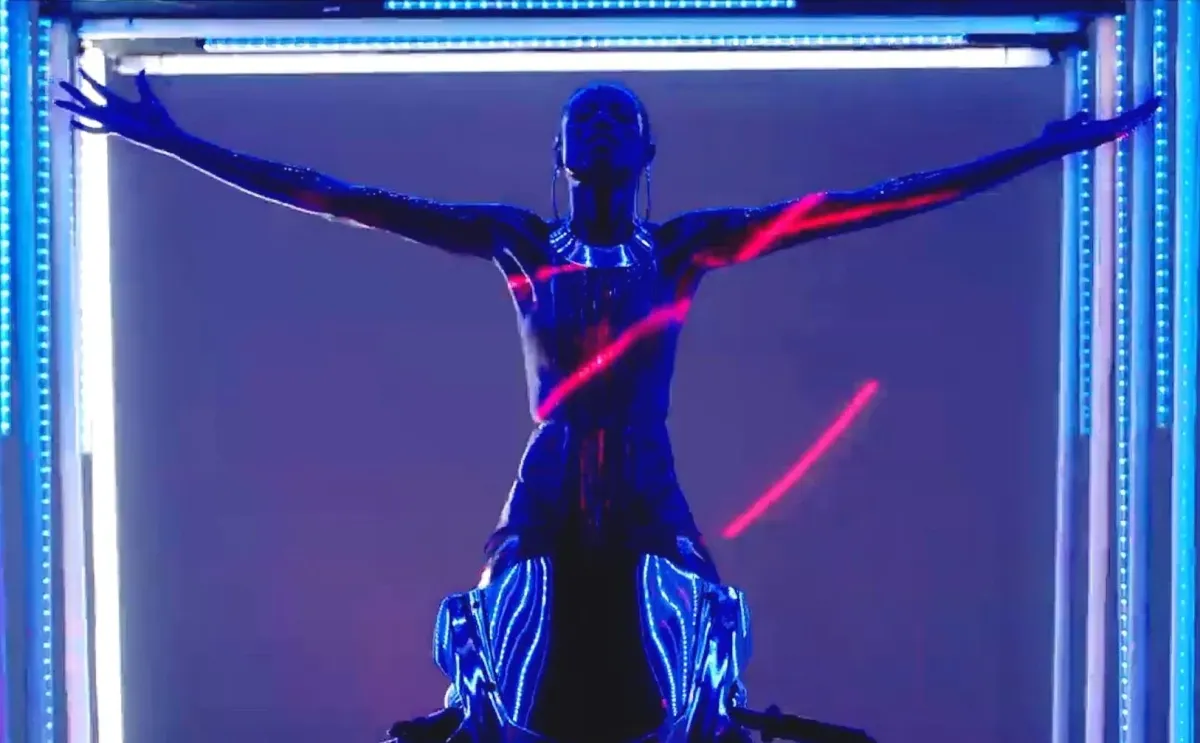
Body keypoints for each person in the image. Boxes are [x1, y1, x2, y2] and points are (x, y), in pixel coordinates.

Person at [57, 72, 1157, 743]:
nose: (597, 125)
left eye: (616, 116)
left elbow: (867, 205)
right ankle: (468, 709)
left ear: (643, 150)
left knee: (711, 630)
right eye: (581, 118)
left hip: (641, 478)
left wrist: (1043, 150)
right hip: (548, 476)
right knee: (492, 630)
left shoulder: (684, 248)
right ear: (561, 154)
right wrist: (179, 142)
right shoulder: (516, 242)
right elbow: (345, 200)